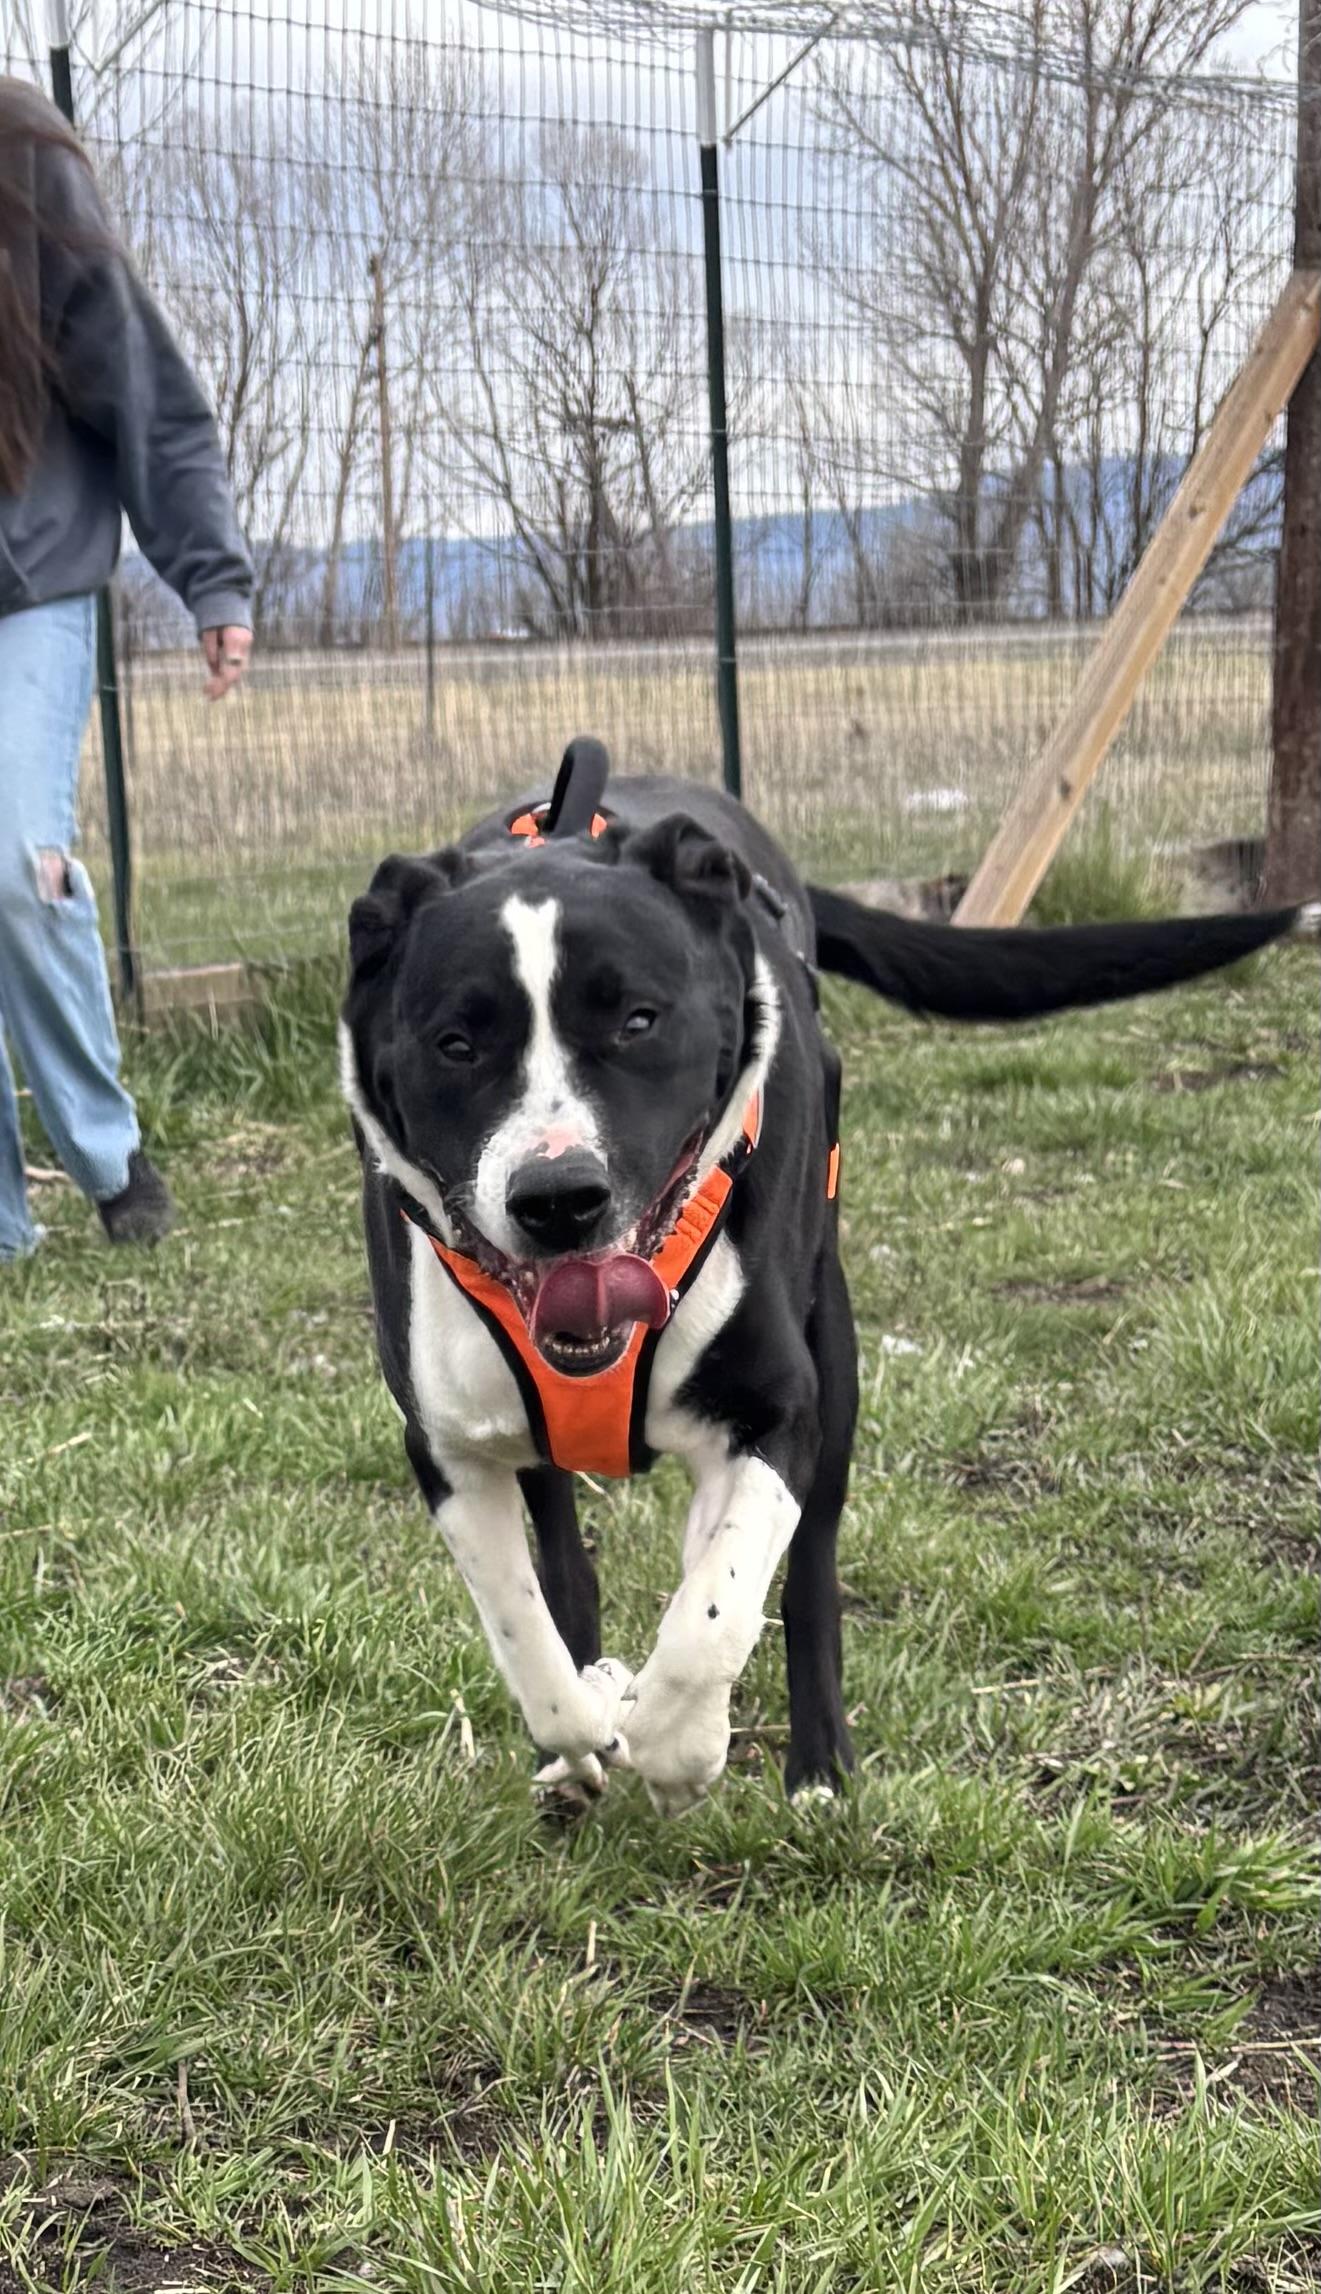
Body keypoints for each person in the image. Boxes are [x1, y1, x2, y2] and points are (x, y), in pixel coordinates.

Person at [0, 74, 254, 1261]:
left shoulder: (20, 155)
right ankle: (4, 1225)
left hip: (29, 581)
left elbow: (140, 383)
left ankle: (107, 1154)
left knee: (11, 862)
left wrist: (208, 571)